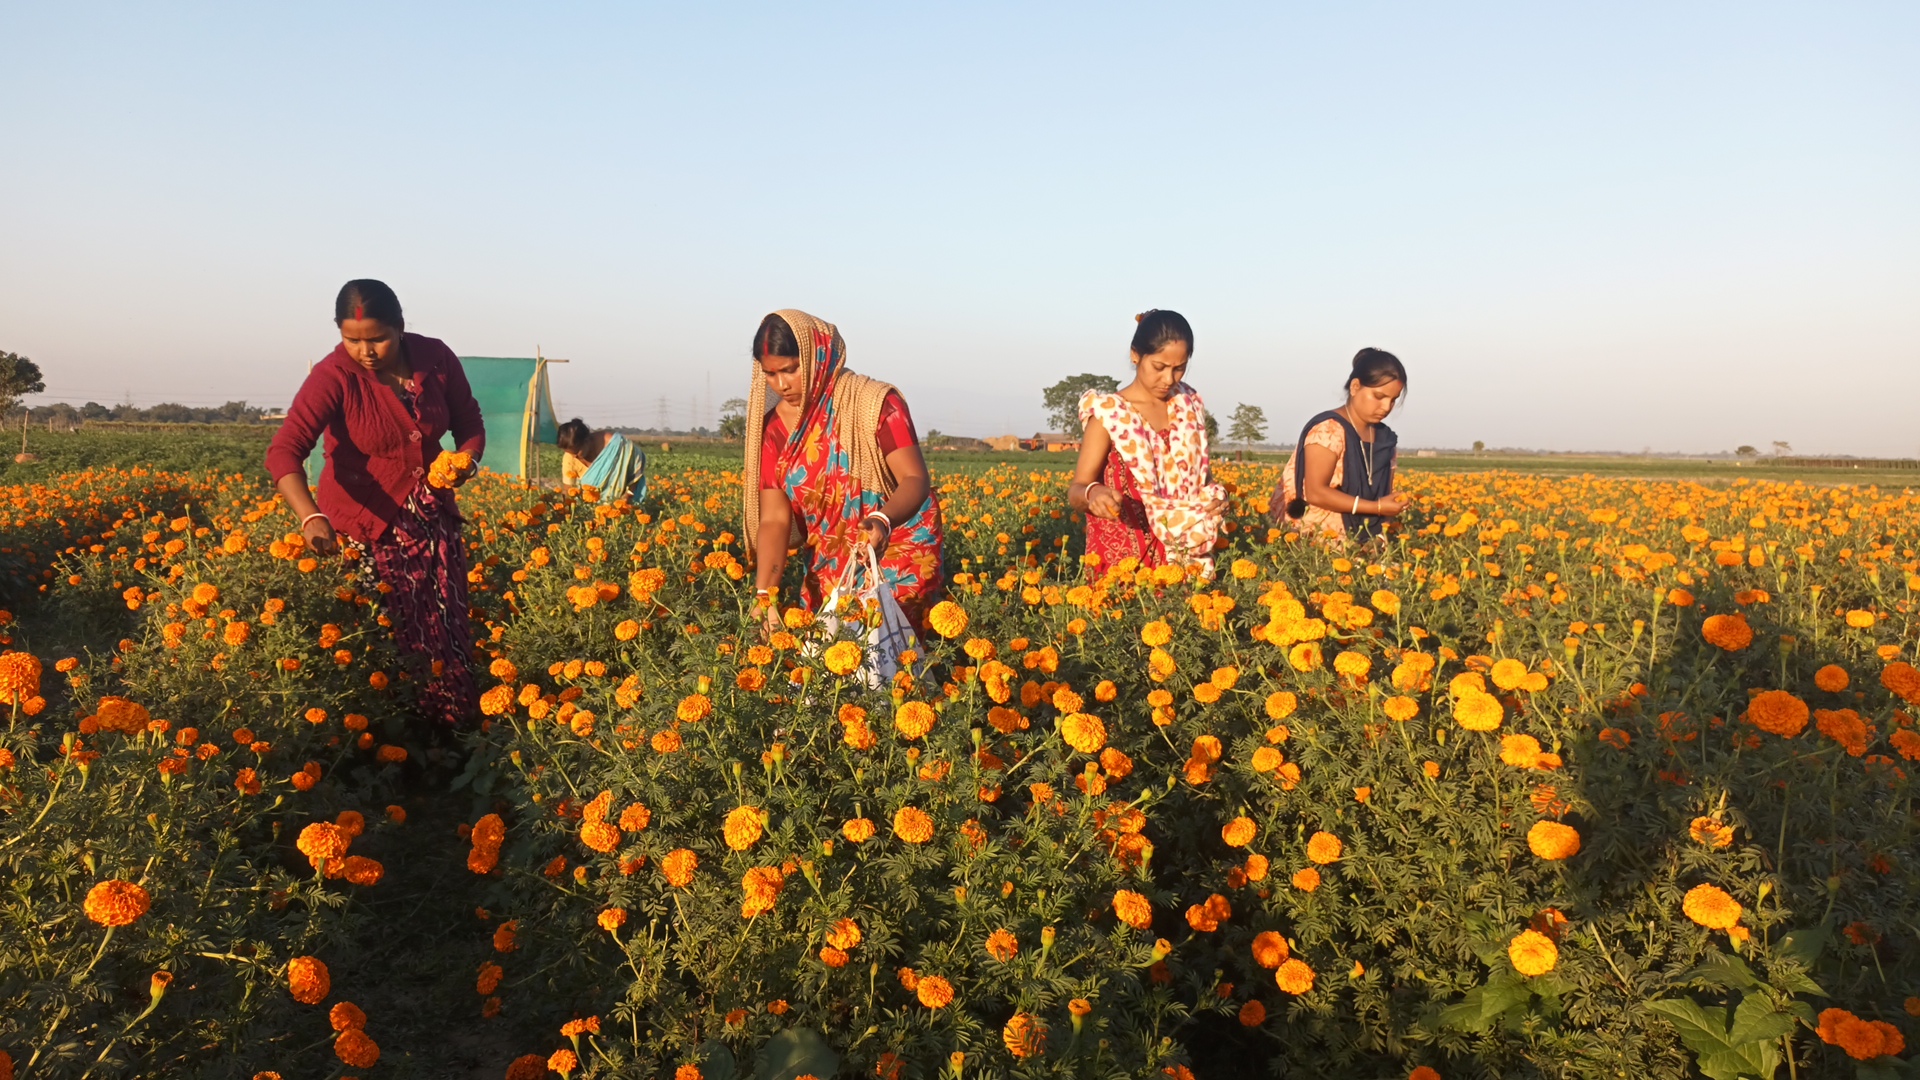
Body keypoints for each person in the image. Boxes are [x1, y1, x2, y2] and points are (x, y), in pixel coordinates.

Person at [265, 279, 485, 728]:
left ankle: (455, 731)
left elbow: (469, 422)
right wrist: (311, 516)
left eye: (377, 339)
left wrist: (466, 461)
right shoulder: (333, 376)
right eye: (353, 339)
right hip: (366, 527)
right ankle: (389, 738)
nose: (365, 351)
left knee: (445, 625)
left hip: (432, 519)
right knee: (385, 636)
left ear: (401, 328)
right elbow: (285, 451)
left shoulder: (435, 358)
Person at [743, 309, 945, 629]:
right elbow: (774, 519)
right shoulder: (774, 431)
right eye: (771, 374)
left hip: (898, 543)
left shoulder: (873, 404)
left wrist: (882, 520)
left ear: (815, 358)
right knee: (825, 650)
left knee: (893, 646)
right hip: (831, 556)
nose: (781, 384)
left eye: (791, 370)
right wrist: (764, 598)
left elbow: (915, 478)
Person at [1067, 310, 1227, 571]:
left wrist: (1216, 498)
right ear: (1135, 355)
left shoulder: (1187, 407)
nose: (1168, 379)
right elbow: (1077, 488)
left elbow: (1197, 478)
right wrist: (1093, 493)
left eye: (1179, 369)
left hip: (1184, 553)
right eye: (1159, 367)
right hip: (1124, 559)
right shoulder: (1110, 414)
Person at [1276, 347, 1409, 542]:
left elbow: (1384, 494)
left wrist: (1391, 509)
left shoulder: (1385, 439)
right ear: (1355, 387)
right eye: (1379, 397)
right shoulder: (1328, 430)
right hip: (1316, 540)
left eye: (1393, 400)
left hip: (1368, 540)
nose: (1386, 407)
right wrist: (1377, 508)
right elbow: (1315, 493)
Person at [557, 418, 647, 503]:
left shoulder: (617, 446)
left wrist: (628, 496)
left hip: (621, 505)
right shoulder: (569, 457)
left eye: (577, 452)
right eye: (569, 453)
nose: (574, 457)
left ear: (586, 440)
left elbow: (636, 466)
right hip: (587, 508)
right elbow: (569, 490)